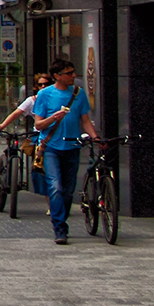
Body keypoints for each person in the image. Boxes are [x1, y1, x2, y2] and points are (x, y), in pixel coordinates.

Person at [31, 58, 97, 246]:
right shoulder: (45, 94)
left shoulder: (78, 93)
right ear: (57, 76)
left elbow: (85, 120)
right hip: (51, 147)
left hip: (72, 147)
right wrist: (54, 117)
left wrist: (95, 137)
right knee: (56, 186)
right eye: (69, 73)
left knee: (68, 191)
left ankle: (61, 219)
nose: (73, 76)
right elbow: (38, 124)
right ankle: (59, 227)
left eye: (73, 72)